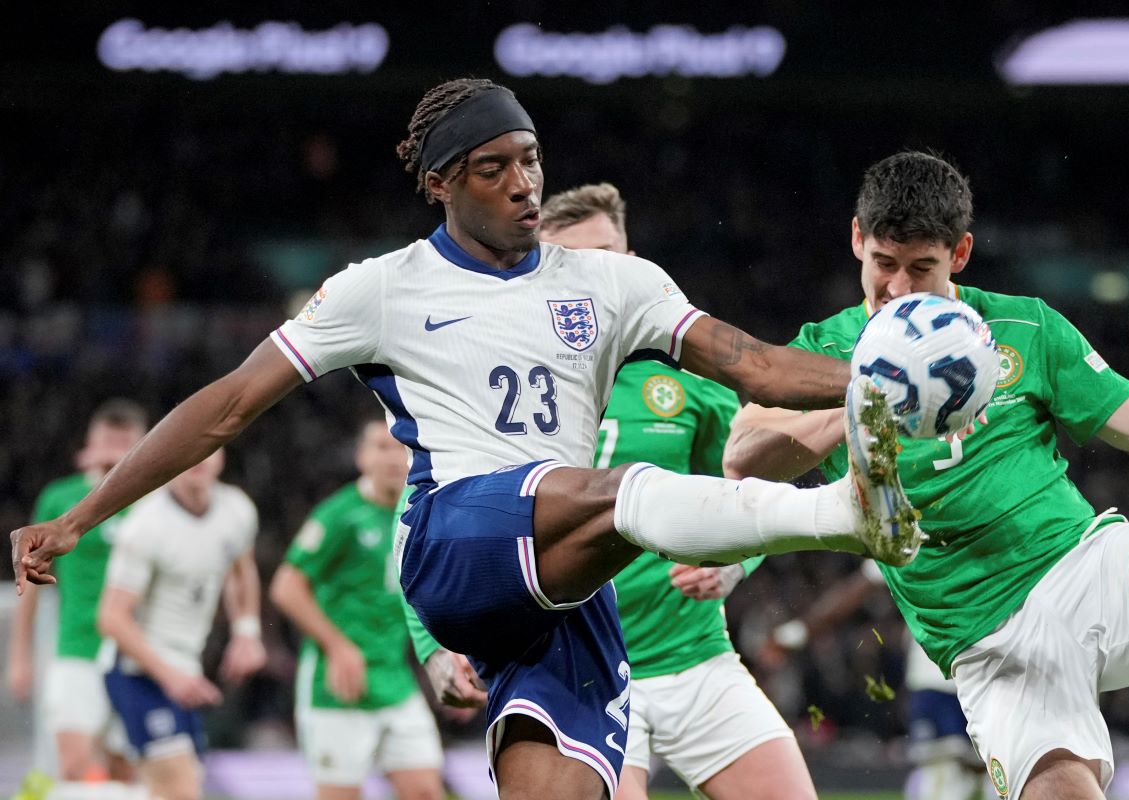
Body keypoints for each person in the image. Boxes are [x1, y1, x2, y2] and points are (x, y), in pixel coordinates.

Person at [12, 78, 921, 800]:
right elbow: (227, 407)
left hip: (558, 600)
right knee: (616, 489)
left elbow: (755, 365)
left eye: (531, 160)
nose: (524, 183)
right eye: (495, 167)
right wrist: (86, 514)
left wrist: (888, 380)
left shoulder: (612, 283)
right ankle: (843, 517)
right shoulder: (380, 289)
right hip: (457, 542)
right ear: (441, 183)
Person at [723, 150, 1129, 800]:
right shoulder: (825, 350)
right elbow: (742, 454)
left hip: (1080, 565)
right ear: (858, 240)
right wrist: (874, 390)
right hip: (986, 640)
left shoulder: (1022, 328)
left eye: (922, 268)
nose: (897, 288)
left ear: (961, 252)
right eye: (883, 265)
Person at [539, 182, 815, 800]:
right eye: (578, 260)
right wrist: (436, 649)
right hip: (581, 668)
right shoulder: (526, 385)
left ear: (633, 260)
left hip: (695, 658)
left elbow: (751, 483)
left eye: (612, 252)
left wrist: (735, 566)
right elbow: (425, 504)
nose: (603, 270)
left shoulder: (686, 380)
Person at [270, 420, 444, 800]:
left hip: (395, 681)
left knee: (427, 792)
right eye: (381, 447)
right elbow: (286, 586)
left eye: (400, 447)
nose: (393, 457)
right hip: (337, 686)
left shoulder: (420, 516)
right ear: (361, 457)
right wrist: (337, 646)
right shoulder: (341, 514)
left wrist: (445, 659)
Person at [97, 450, 264, 800]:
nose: (197, 457)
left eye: (208, 446)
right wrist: (169, 674)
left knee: (159, 785)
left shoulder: (237, 510)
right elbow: (112, 617)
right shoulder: (146, 524)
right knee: (180, 789)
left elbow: (240, 568)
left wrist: (247, 631)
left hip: (186, 671)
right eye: (189, 447)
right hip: (139, 672)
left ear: (223, 452)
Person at [759, 561, 989, 800]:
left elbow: (859, 586)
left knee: (952, 781)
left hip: (954, 677)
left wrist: (797, 632)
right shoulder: (932, 533)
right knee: (967, 778)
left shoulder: (916, 532)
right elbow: (860, 586)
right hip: (974, 676)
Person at [5, 399, 147, 784]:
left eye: (125, 442)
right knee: (74, 766)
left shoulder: (154, 501)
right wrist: (20, 657)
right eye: (108, 440)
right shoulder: (59, 499)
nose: (115, 450)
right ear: (88, 446)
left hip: (136, 654)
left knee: (125, 769)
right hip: (76, 647)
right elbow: (30, 584)